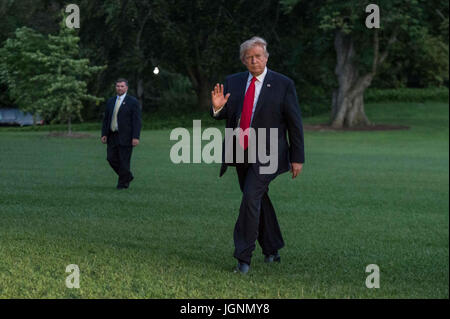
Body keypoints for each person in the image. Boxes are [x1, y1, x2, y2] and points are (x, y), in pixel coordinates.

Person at [210, 37, 305, 274]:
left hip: (269, 153)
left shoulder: (283, 84)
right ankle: (272, 248)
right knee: (258, 198)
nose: (255, 60)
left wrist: (297, 157)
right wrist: (218, 108)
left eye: (259, 55)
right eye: (249, 57)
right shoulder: (233, 81)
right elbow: (225, 115)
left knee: (251, 196)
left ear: (266, 56)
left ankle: (243, 258)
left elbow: (295, 123)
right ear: (244, 60)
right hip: (240, 150)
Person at [101, 78, 142, 189]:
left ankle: (122, 184)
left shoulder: (133, 102)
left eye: (122, 86)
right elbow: (106, 119)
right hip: (112, 135)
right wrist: (104, 134)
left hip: (126, 136)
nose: (119, 88)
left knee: (124, 161)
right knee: (111, 158)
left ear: (126, 88)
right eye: (118, 86)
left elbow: (137, 121)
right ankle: (127, 176)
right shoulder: (111, 101)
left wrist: (135, 137)